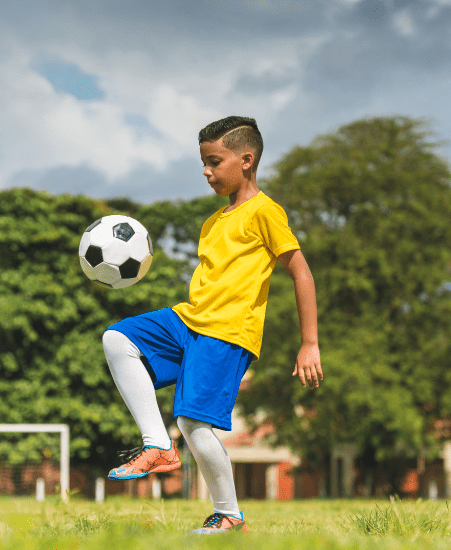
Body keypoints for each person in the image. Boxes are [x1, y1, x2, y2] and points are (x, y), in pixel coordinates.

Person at [102, 116, 322, 535]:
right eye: (203, 162)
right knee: (117, 337)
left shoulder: (266, 212)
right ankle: (158, 446)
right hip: (190, 320)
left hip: (226, 331)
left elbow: (302, 273)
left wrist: (309, 342)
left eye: (214, 161)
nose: (206, 171)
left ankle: (229, 515)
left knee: (193, 424)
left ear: (246, 160)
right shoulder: (213, 222)